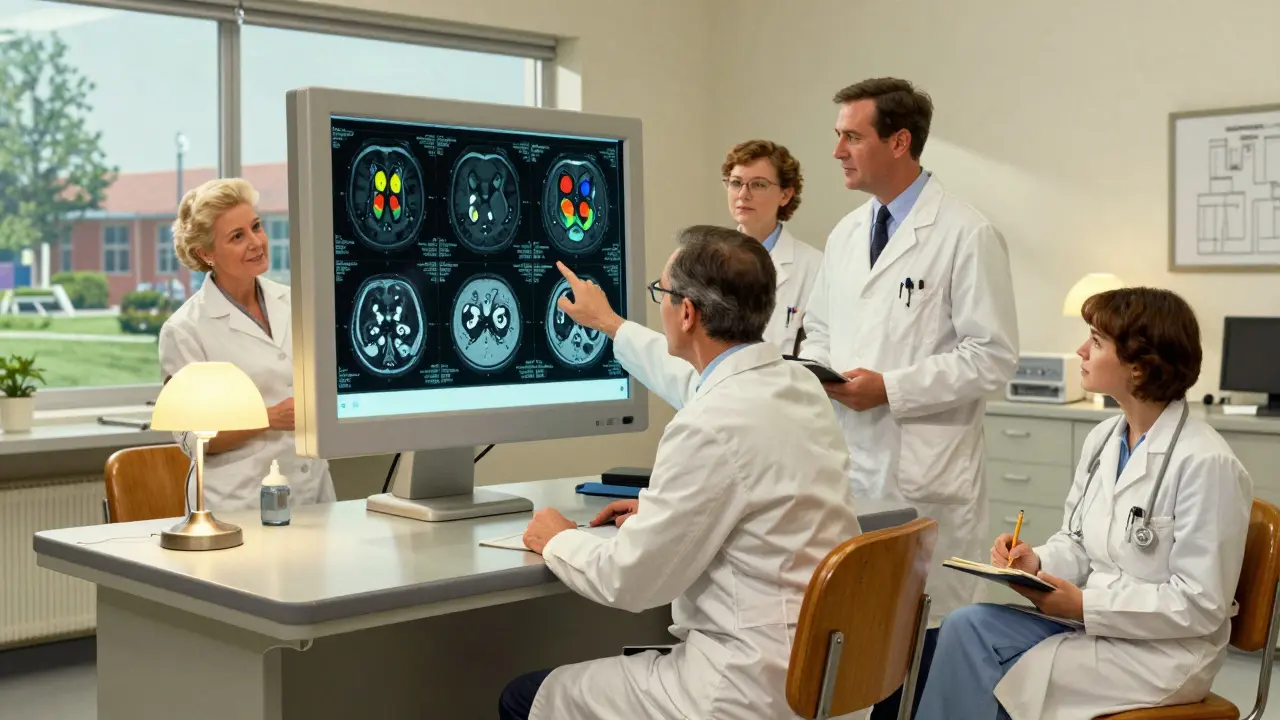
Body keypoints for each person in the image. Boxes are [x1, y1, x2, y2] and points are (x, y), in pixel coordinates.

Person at [499, 226, 862, 720]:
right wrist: (609, 323)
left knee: (525, 698)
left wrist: (558, 538)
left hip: (744, 691)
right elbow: (743, 469)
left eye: (662, 293)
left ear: (687, 313)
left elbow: (631, 580)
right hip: (825, 681)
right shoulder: (800, 386)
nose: (662, 304)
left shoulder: (709, 423)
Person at [915, 287, 1253, 719]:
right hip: (1097, 625)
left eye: (1095, 341)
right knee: (965, 626)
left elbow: (1200, 605)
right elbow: (1077, 541)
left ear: (1138, 365)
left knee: (999, 674)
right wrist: (1036, 563)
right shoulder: (1103, 440)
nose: (1081, 351)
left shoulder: (1207, 463)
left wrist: (1084, 606)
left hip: (1163, 654)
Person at [799, 77, 1019, 717]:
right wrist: (826, 374)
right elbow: (818, 329)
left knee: (925, 653)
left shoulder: (966, 233)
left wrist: (890, 389)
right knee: (862, 652)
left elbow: (992, 357)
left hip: (927, 478)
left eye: (851, 136)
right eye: (837, 135)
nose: (837, 150)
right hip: (851, 467)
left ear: (899, 141)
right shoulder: (845, 234)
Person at [158, 178, 335, 511]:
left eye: (256, 227)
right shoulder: (184, 330)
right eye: (237, 236)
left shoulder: (297, 303)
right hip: (238, 503)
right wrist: (269, 418)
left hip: (312, 491)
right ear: (206, 253)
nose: (256, 242)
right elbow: (193, 439)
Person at [721, 139, 823, 355]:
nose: (743, 194)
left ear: (785, 195)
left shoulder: (815, 267)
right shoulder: (709, 262)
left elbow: (820, 348)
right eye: (736, 183)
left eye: (758, 184)